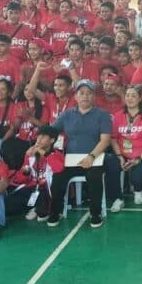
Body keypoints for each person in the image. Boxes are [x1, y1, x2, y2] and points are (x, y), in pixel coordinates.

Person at [48, 79, 119, 228]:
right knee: (58, 177)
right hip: (70, 159)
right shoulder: (67, 115)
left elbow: (105, 140)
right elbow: (50, 131)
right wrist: (40, 144)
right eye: (81, 93)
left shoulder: (102, 115)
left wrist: (91, 157)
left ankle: (95, 213)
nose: (85, 96)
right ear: (76, 96)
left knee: (94, 178)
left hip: (95, 158)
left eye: (89, 93)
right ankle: (56, 212)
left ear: (93, 96)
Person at [110, 85, 142, 205]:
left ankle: (138, 191)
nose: (130, 98)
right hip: (123, 153)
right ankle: (118, 198)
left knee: (136, 175)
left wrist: (138, 159)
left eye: (133, 95)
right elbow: (113, 138)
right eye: (127, 95)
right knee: (111, 168)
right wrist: (119, 156)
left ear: (140, 99)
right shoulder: (118, 115)